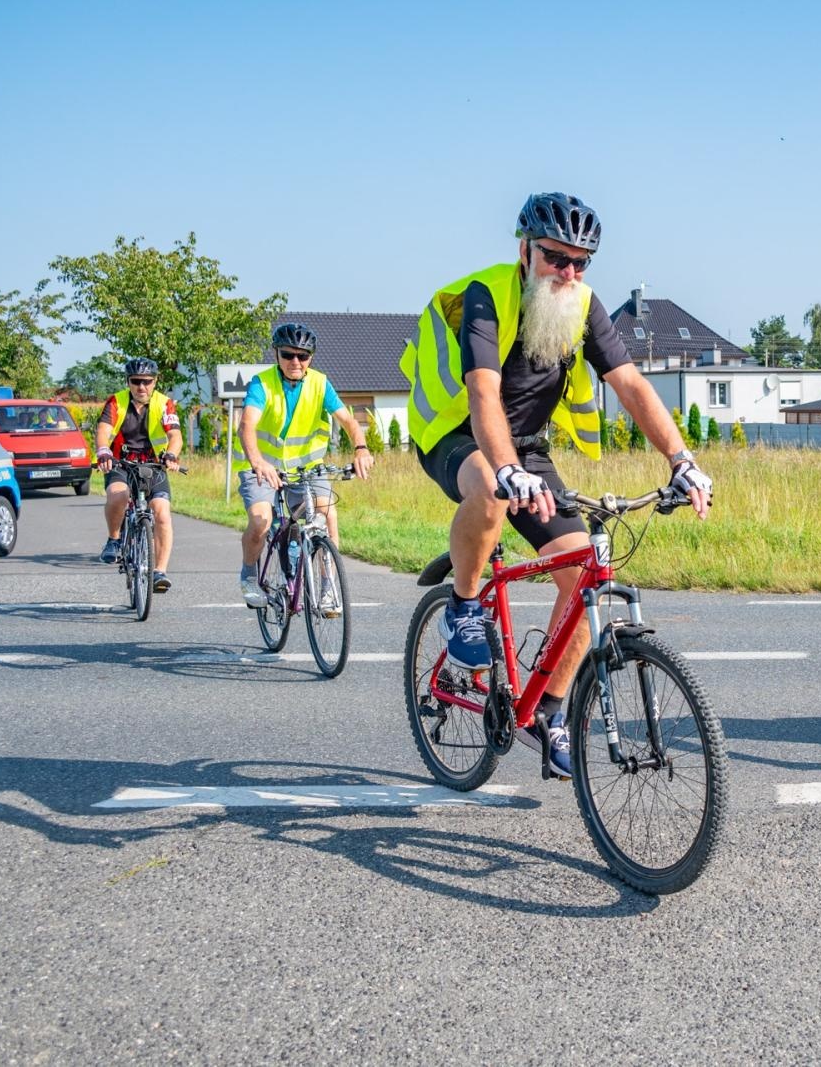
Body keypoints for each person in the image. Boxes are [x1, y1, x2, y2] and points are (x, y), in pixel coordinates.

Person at [400, 191, 713, 778]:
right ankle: (465, 608)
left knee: (586, 573)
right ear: (525, 249)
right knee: (491, 490)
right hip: (456, 434)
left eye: (580, 262)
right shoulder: (487, 295)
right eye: (555, 258)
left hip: (528, 448)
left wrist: (681, 458)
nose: (567, 272)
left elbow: (631, 384)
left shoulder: (583, 305)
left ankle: (548, 709)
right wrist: (505, 467)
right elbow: (483, 394)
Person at [236, 322, 373, 613]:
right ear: (277, 355)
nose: (295, 362)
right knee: (261, 521)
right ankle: (249, 573)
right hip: (262, 467)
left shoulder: (320, 384)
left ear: (311, 357)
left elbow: (348, 421)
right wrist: (258, 461)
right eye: (288, 355)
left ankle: (327, 589)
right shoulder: (262, 384)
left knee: (327, 515)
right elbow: (247, 425)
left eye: (303, 356)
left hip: (307, 467)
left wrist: (361, 448)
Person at [95, 357, 183, 591]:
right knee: (118, 496)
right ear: (128, 382)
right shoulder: (117, 402)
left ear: (155, 382)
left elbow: (175, 435)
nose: (141, 387)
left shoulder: (165, 404)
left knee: (162, 514)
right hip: (120, 463)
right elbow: (103, 431)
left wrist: (171, 456)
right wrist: (103, 452)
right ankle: (114, 540)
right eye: (136, 381)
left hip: (153, 465)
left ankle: (159, 572)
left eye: (146, 381)